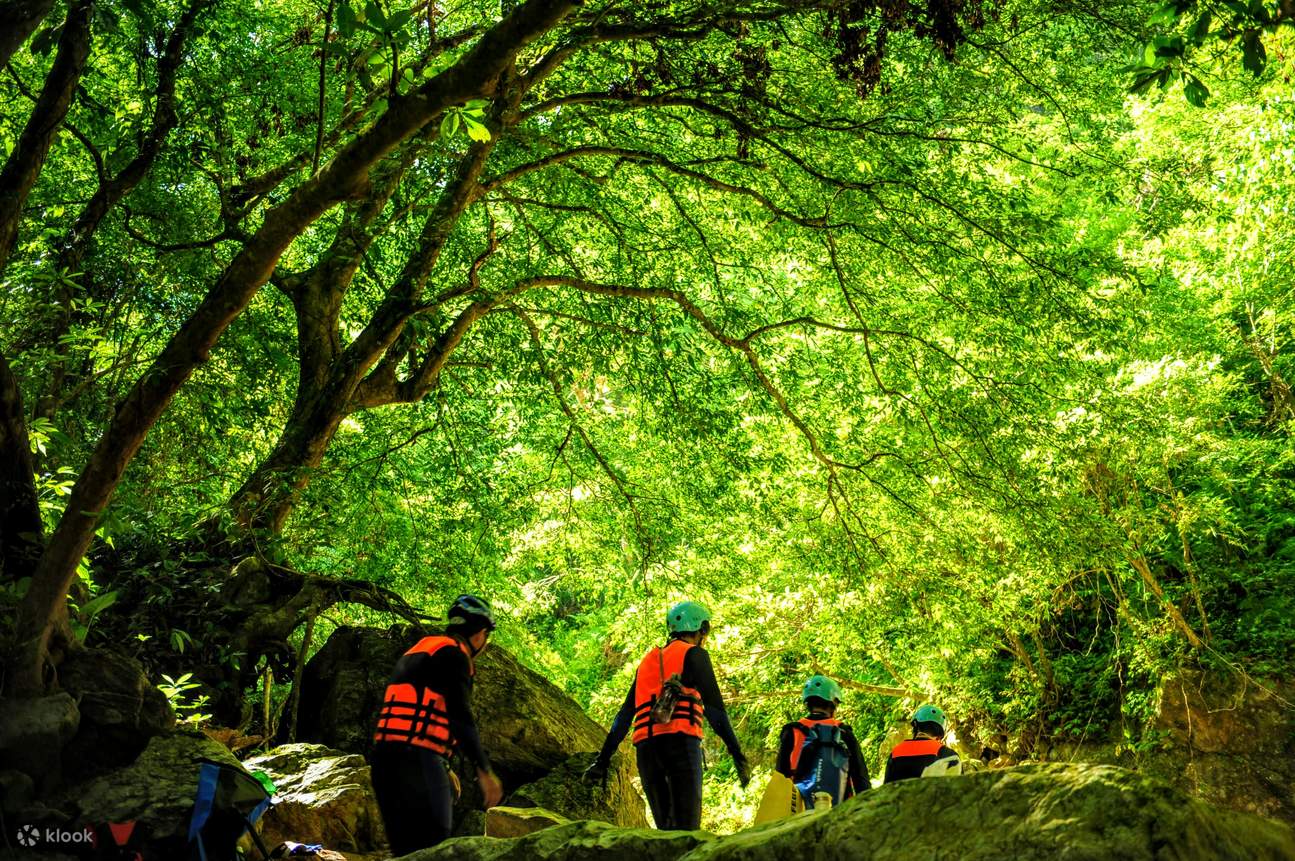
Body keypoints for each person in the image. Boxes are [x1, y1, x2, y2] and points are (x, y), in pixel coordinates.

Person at [583, 600, 751, 830]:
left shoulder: (646, 662)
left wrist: (601, 761)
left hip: (647, 752)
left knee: (666, 831)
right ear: (701, 629)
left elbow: (624, 716)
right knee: (687, 831)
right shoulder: (694, 654)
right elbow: (715, 710)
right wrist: (737, 754)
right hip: (680, 744)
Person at [367, 594, 504, 855]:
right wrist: (484, 771)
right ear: (480, 634)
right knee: (434, 846)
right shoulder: (456, 655)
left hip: (384, 763)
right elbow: (460, 716)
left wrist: (444, 765)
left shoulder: (421, 649)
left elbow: (414, 714)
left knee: (404, 851)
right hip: (418, 762)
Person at [775, 675, 870, 806]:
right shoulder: (843, 732)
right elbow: (860, 777)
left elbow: (780, 776)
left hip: (799, 808)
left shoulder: (792, 731)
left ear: (808, 704)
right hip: (839, 808)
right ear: (833, 703)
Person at [882, 704, 962, 783]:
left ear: (915, 726)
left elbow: (886, 785)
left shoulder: (896, 752)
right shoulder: (950, 755)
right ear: (939, 735)